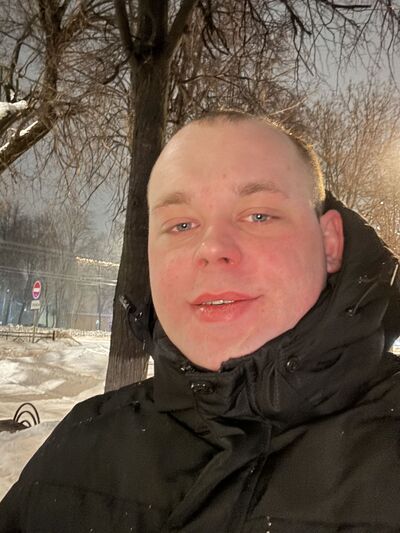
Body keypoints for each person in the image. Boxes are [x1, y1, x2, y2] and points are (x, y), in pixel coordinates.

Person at [0, 111, 399, 532]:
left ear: (329, 242)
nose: (211, 247)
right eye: (182, 224)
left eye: (258, 215)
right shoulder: (76, 452)